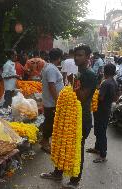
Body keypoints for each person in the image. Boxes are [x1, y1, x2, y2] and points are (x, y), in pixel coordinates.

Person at [40, 44, 97, 188]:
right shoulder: (79, 72)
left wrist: (73, 85)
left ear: (88, 57)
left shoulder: (90, 74)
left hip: (81, 118)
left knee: (77, 148)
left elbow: (82, 97)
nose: (77, 58)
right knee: (61, 144)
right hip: (71, 115)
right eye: (76, 55)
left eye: (81, 55)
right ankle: (57, 174)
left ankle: (74, 181)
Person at [87, 64, 118, 163]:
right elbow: (115, 97)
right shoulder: (114, 82)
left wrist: (95, 90)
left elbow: (100, 97)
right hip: (106, 109)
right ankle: (97, 148)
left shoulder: (106, 83)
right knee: (99, 130)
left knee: (101, 132)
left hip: (101, 110)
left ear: (105, 72)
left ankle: (103, 155)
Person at [39, 48, 64, 153]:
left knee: (49, 121)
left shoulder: (49, 67)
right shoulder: (51, 69)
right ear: (59, 58)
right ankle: (45, 143)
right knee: (50, 123)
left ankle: (45, 141)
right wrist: (57, 100)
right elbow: (51, 85)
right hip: (51, 102)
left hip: (50, 101)